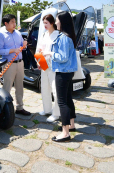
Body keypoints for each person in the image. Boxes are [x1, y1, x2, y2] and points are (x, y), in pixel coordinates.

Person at [43, 11, 78, 142]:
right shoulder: (69, 36)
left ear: (62, 22)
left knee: (62, 101)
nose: (56, 22)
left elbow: (62, 57)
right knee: (68, 99)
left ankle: (65, 132)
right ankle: (72, 125)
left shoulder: (63, 37)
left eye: (57, 20)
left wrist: (50, 53)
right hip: (68, 71)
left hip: (62, 72)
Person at [0, 14, 30, 116]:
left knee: (20, 86)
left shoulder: (18, 33)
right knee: (7, 86)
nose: (14, 24)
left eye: (15, 22)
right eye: (12, 22)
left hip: (20, 63)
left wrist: (24, 45)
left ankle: (19, 107)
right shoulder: (2, 35)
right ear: (6, 23)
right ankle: (3, 109)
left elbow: (21, 47)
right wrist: (12, 50)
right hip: (9, 64)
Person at [36, 14, 60, 122]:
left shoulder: (58, 35)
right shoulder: (44, 34)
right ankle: (47, 109)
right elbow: (39, 49)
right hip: (44, 64)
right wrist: (39, 61)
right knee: (44, 87)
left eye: (46, 23)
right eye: (43, 23)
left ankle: (56, 113)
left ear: (52, 23)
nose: (44, 25)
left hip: (54, 65)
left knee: (55, 89)